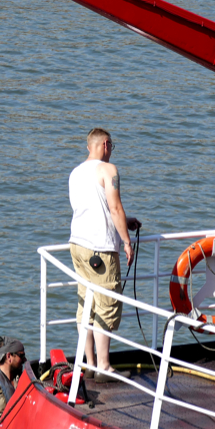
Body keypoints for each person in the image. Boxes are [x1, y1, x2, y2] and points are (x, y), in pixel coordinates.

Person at [68, 128, 141, 381]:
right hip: (100, 249)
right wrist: (126, 241)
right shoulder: (109, 170)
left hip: (77, 245)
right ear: (106, 144)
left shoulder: (76, 173)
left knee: (86, 304)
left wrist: (124, 221)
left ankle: (90, 363)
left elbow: (93, 209)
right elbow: (114, 205)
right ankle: (104, 366)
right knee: (107, 304)